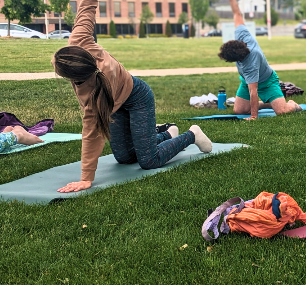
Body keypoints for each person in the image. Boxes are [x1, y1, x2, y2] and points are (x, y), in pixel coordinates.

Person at [52, 0, 212, 193]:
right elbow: (86, 9)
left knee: (149, 161)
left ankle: (192, 134)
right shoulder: (80, 41)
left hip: (137, 97)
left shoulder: (96, 92)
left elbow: (92, 132)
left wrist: (86, 178)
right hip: (116, 106)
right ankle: (168, 133)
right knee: (125, 157)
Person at [218, 0, 301, 120]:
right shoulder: (242, 36)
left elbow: (254, 92)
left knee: (282, 112)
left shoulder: (250, 63)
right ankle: (270, 103)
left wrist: (253, 116)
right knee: (239, 111)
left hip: (267, 82)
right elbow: (237, 14)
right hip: (247, 82)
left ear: (238, 58)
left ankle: (291, 105)